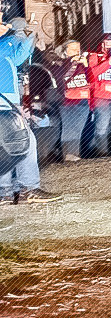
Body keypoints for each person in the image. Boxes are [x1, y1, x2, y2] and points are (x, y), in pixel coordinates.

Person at [0, 17, 58, 202]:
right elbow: (21, 53)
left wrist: (25, 32)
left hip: (7, 101)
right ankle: (26, 188)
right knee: (23, 142)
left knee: (11, 144)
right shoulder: (5, 44)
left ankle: (7, 192)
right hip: (4, 102)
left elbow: (21, 54)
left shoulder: (5, 45)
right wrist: (24, 31)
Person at [51, 39, 92, 162]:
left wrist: (86, 65)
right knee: (68, 128)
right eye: (73, 49)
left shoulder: (84, 63)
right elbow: (61, 80)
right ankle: (68, 155)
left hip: (83, 99)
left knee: (78, 128)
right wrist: (72, 64)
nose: (77, 51)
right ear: (65, 51)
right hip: (67, 101)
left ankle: (74, 155)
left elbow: (92, 79)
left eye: (78, 49)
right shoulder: (58, 64)